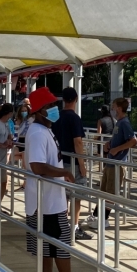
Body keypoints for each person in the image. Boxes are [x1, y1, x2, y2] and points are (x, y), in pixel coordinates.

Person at [24, 87, 95, 272]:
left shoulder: (44, 130)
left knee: (47, 245)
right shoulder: (37, 132)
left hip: (48, 200)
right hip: (46, 202)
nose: (54, 109)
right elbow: (37, 166)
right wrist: (64, 172)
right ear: (38, 111)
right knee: (62, 244)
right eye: (49, 107)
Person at [86, 98, 137, 229]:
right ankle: (97, 215)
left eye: (113, 106)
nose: (112, 109)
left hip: (117, 163)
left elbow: (132, 141)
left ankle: (104, 219)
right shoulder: (118, 122)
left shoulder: (124, 123)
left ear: (119, 108)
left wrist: (117, 149)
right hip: (111, 162)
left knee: (110, 192)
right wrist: (109, 144)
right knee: (104, 190)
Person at [52, 87, 91, 241]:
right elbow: (78, 141)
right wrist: (82, 164)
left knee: (63, 195)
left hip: (59, 161)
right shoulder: (74, 118)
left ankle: (62, 225)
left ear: (63, 100)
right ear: (75, 100)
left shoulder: (56, 117)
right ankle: (73, 227)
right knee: (76, 196)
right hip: (72, 163)